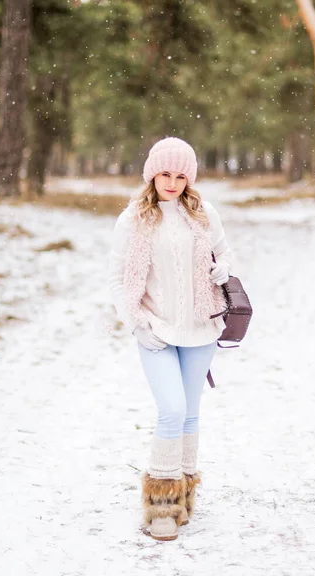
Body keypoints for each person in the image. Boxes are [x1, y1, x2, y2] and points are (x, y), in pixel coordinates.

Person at [108, 136, 232, 541]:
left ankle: (185, 496)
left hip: (201, 329)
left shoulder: (203, 214)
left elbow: (224, 256)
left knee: (191, 412)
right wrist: (135, 322)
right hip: (155, 329)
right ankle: (161, 506)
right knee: (172, 409)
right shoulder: (134, 219)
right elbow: (117, 278)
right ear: (152, 174)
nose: (173, 183)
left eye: (181, 176)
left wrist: (221, 272)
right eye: (166, 173)